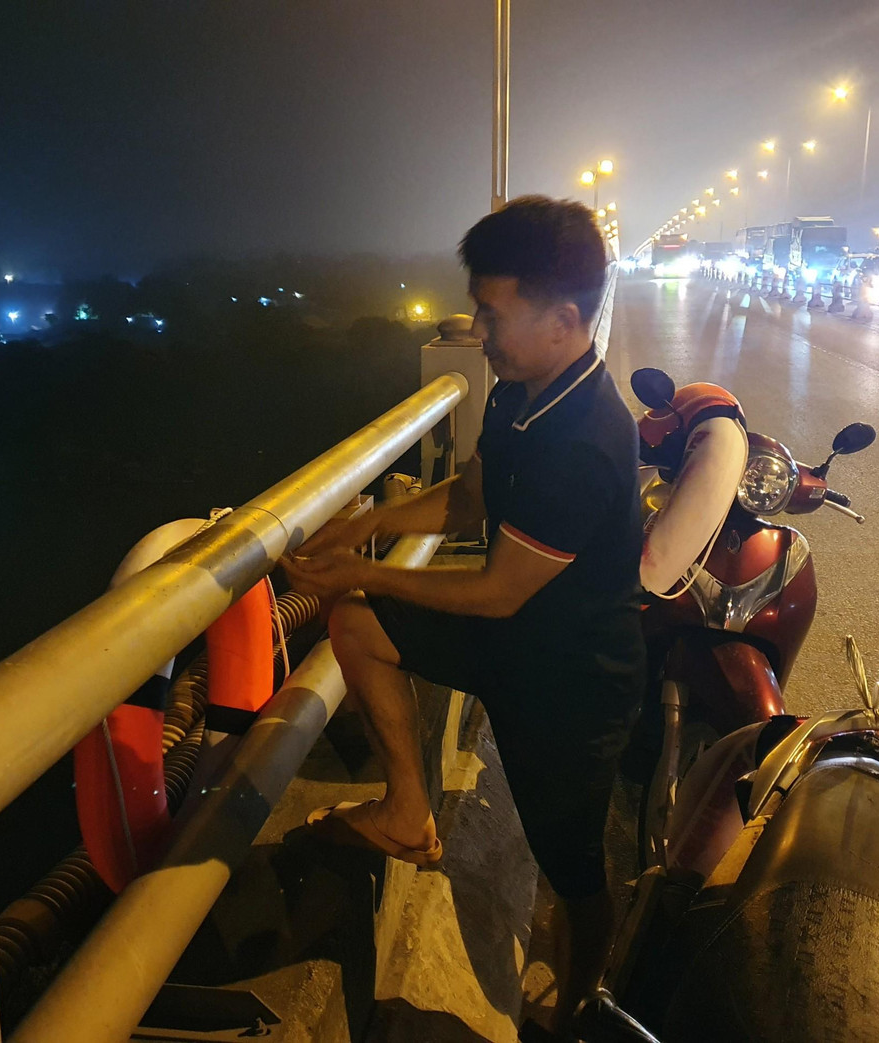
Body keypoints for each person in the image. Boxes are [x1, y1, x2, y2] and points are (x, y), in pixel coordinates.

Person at [280, 195, 645, 1040]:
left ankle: (585, 998)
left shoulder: (586, 437)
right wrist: (369, 524)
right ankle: (409, 813)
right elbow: (474, 495)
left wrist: (359, 567)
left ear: (562, 318)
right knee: (359, 626)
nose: (479, 331)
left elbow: (496, 591)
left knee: (576, 873)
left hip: (570, 689)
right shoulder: (523, 390)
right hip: (514, 645)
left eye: (492, 313)